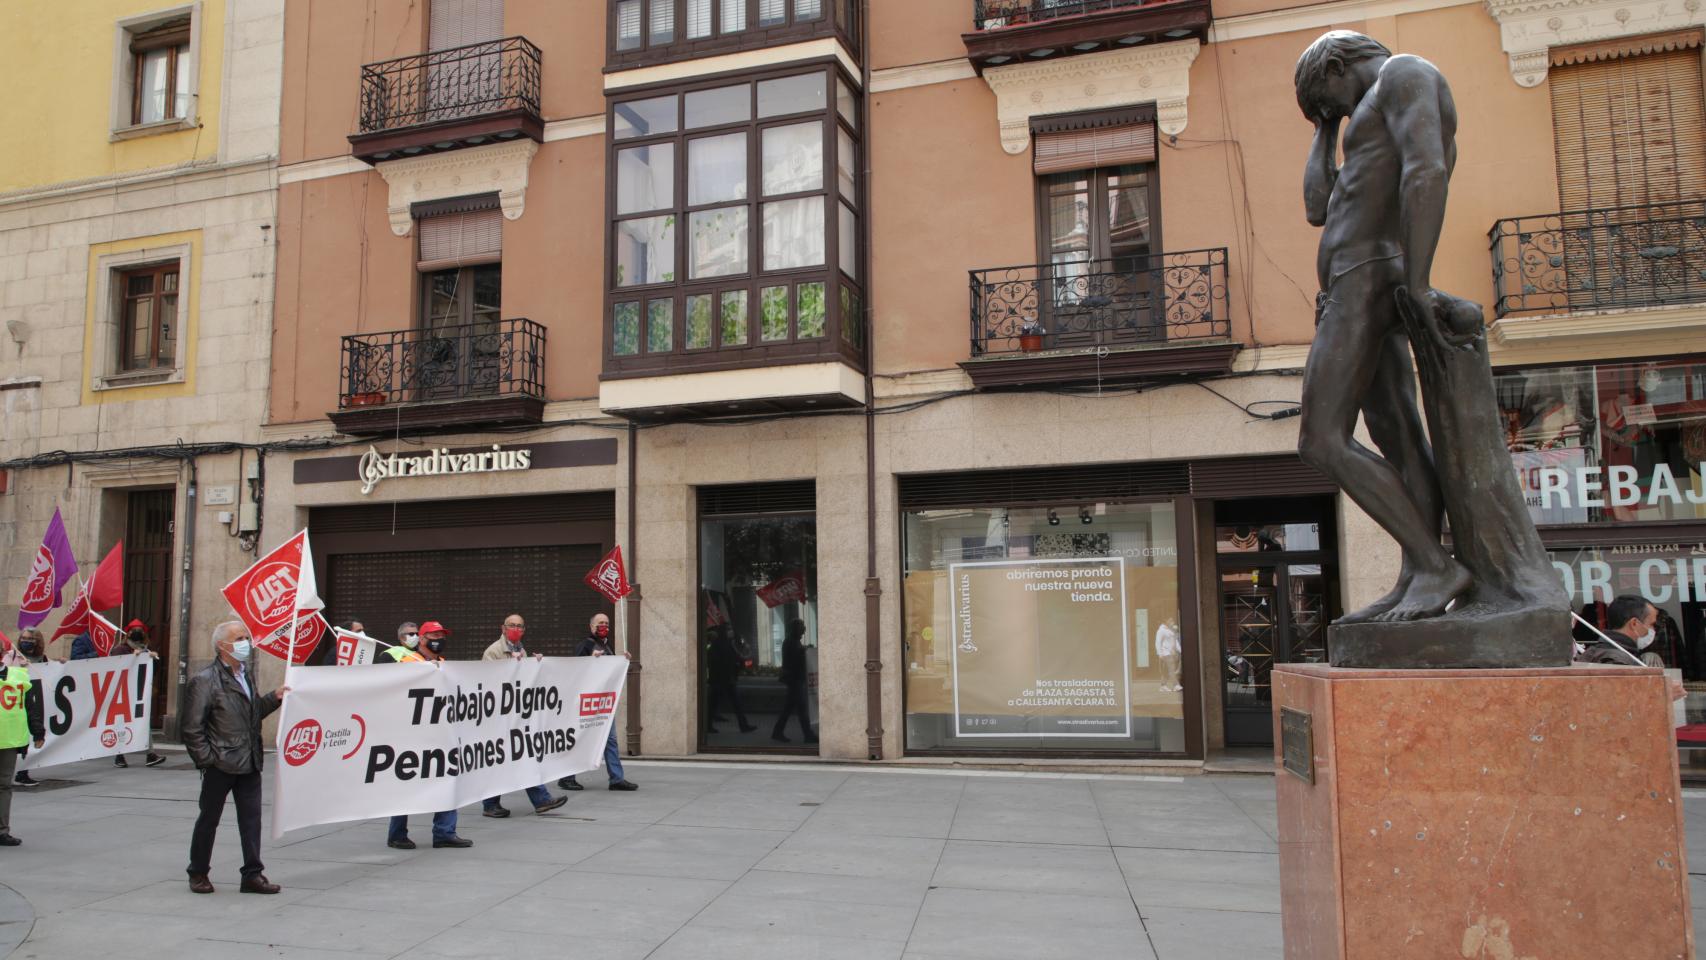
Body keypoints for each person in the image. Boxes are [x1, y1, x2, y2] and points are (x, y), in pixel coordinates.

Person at [1293, 31, 1470, 624]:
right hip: (1355, 281)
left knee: (1321, 439)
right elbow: (1318, 207)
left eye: (1330, 104)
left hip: (1368, 275)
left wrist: (1418, 283)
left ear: (1338, 65)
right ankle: (1417, 574)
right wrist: (1322, 126)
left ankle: (1434, 561)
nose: (1335, 117)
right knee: (1396, 432)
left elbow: (1428, 170)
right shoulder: (1361, 115)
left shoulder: (1405, 74)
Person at [182, 620, 288, 894]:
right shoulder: (205, 680)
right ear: (222, 646)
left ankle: (253, 874)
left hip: (249, 760)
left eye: (246, 637)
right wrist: (207, 759)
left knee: (251, 820)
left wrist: (273, 698)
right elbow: (192, 727)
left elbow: (251, 714)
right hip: (221, 762)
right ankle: (198, 871)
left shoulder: (245, 675)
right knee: (209, 819)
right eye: (240, 638)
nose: (246, 643)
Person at [385, 620, 472, 850]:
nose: (439, 640)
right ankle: (397, 834)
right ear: (422, 639)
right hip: (411, 734)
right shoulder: (406, 661)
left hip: (440, 733)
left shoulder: (443, 663)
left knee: (448, 778)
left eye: (442, 635)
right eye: (434, 635)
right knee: (406, 782)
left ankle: (444, 832)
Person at [480, 614, 567, 817]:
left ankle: (541, 800)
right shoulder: (494, 651)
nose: (516, 629)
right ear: (503, 628)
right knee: (499, 761)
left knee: (524, 756)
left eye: (520, 626)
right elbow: (487, 681)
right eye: (512, 625)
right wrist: (512, 666)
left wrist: (533, 665)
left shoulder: (521, 650)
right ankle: (491, 804)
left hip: (517, 716)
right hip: (500, 717)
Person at [560, 613, 639, 792]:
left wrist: (622, 661)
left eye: (606, 623)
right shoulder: (585, 645)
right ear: (591, 626)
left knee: (610, 739)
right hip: (585, 704)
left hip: (602, 704)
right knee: (579, 739)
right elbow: (574, 669)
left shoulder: (606, 646)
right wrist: (590, 659)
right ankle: (566, 777)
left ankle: (616, 778)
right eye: (600, 623)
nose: (603, 626)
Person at [0, 644, 46, 845]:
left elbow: (30, 706)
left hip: (9, 739)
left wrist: (38, 730)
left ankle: (2, 831)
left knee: (3, 786)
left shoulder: (18, 676)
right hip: (10, 738)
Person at [111, 622, 166, 768]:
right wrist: (132, 657)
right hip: (123, 694)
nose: (137, 633)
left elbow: (151, 673)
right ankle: (119, 755)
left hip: (139, 693)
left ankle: (150, 754)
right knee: (122, 723)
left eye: (140, 631)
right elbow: (116, 667)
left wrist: (152, 660)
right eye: (134, 631)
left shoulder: (145, 650)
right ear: (127, 634)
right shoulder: (120, 650)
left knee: (143, 722)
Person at [1577, 594, 1664, 667]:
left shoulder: (1597, 652)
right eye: (1651, 624)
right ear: (1634, 623)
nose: (1653, 630)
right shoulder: (1616, 661)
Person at [772, 618, 816, 744]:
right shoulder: (791, 642)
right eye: (801, 627)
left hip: (795, 679)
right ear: (796, 629)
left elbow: (798, 653)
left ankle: (777, 732)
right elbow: (796, 658)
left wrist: (805, 649)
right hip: (795, 679)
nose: (804, 630)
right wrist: (806, 650)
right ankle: (808, 735)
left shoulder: (793, 641)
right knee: (801, 709)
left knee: (789, 708)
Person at [705, 625, 756, 735]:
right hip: (726, 679)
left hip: (718, 679)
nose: (731, 632)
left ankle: (707, 726)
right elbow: (738, 658)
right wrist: (747, 653)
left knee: (713, 704)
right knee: (734, 704)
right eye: (729, 630)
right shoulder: (727, 645)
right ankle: (743, 725)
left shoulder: (717, 645)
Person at [12, 630, 47, 789]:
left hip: (37, 701)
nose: (26, 641)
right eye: (24, 638)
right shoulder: (12, 656)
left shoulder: (43, 658)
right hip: (18, 703)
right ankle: (20, 772)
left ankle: (23, 771)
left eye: (30, 638)